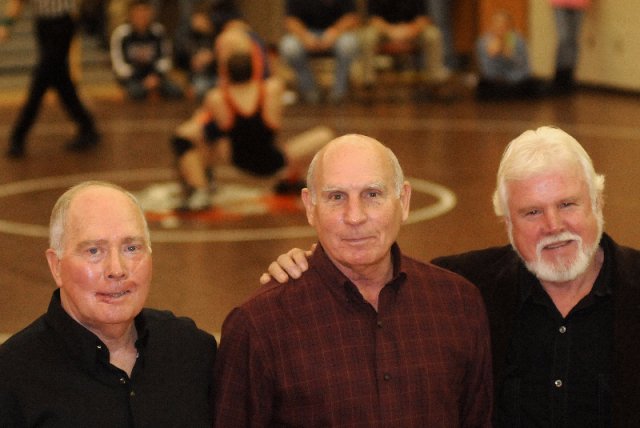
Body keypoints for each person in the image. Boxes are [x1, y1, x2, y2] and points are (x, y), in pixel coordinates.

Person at [261, 126, 640, 427]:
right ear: (507, 222)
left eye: (568, 204)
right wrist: (313, 266)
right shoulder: (462, 290)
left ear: (598, 202)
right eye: (532, 213)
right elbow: (371, 282)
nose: (553, 226)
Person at [213, 134, 493, 426]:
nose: (355, 216)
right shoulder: (259, 326)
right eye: (336, 197)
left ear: (403, 201)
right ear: (310, 207)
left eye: (372, 194)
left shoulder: (458, 304)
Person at [0, 181, 217, 426]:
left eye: (131, 248)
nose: (116, 269)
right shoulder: (11, 377)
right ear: (56, 266)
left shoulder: (191, 351)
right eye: (94, 251)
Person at [171, 28, 334, 210]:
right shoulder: (271, 89)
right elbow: (271, 72)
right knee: (324, 135)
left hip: (236, 159)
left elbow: (192, 129)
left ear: (225, 71)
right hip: (273, 161)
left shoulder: (217, 98)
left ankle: (199, 188)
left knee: (185, 138)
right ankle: (290, 178)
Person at [0, 0, 100, 158]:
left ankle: (18, 136)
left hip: (62, 22)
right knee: (61, 81)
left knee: (41, 80)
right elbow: (17, 2)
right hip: (43, 25)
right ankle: (87, 127)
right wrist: (7, 24)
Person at [278, 0, 360, 104]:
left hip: (337, 35)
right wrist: (304, 36)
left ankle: (339, 92)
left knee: (349, 43)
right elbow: (290, 20)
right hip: (306, 35)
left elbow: (352, 17)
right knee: (289, 46)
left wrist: (335, 32)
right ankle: (309, 91)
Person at [361, 0, 450, 87]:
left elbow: (423, 19)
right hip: (384, 31)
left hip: (412, 31)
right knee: (367, 36)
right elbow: (373, 19)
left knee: (432, 34)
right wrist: (392, 32)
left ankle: (435, 77)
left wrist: (408, 31)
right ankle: (368, 81)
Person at [110, 0, 184, 100]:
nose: (142, 16)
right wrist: (142, 80)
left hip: (156, 76)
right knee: (136, 93)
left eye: (145, 12)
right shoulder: (121, 34)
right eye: (138, 13)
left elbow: (166, 60)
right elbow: (119, 66)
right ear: (130, 14)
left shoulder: (158, 31)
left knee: (176, 92)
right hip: (132, 78)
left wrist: (155, 77)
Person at [475, 9, 542, 100]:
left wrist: (510, 56)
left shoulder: (518, 40)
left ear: (510, 28)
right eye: (497, 26)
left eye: (504, 26)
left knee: (534, 85)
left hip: (517, 82)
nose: (500, 30)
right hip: (494, 83)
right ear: (491, 27)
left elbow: (525, 69)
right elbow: (486, 71)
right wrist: (491, 56)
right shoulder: (483, 42)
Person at [550, 0, 590, 93]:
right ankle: (560, 76)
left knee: (574, 40)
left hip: (579, 4)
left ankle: (569, 76)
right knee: (564, 38)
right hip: (560, 3)